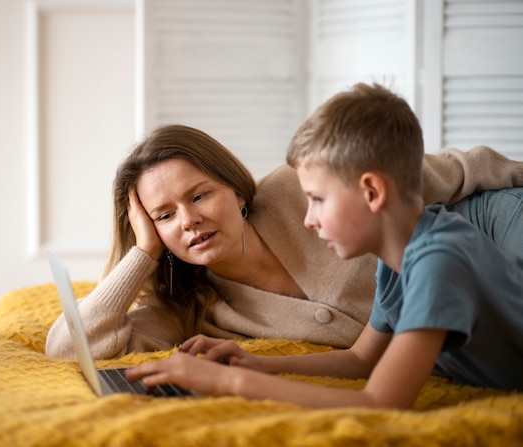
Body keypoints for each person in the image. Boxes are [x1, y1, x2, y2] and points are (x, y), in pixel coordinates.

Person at [124, 84, 523, 409]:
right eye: (164, 216)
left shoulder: (437, 262)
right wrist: (258, 364)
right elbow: (361, 359)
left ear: (371, 191)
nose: (309, 218)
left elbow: (380, 403)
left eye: (317, 199)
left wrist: (229, 380)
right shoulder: (396, 260)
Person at [45, 123, 523, 361]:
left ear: (232, 188)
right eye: (165, 215)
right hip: (472, 321)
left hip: (491, 232)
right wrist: (144, 252)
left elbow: (442, 169)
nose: (189, 221)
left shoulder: (297, 186)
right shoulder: (190, 307)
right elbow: (69, 350)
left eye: (200, 195)